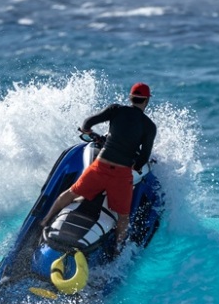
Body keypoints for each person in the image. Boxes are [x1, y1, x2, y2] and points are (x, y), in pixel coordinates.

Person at [41, 82, 157, 248]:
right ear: (146, 101)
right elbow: (144, 155)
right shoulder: (149, 126)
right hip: (121, 174)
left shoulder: (116, 110)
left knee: (71, 193)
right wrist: (135, 166)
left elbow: (88, 122)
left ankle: (45, 221)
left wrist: (89, 132)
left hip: (100, 166)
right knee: (123, 217)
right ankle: (117, 250)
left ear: (130, 98)